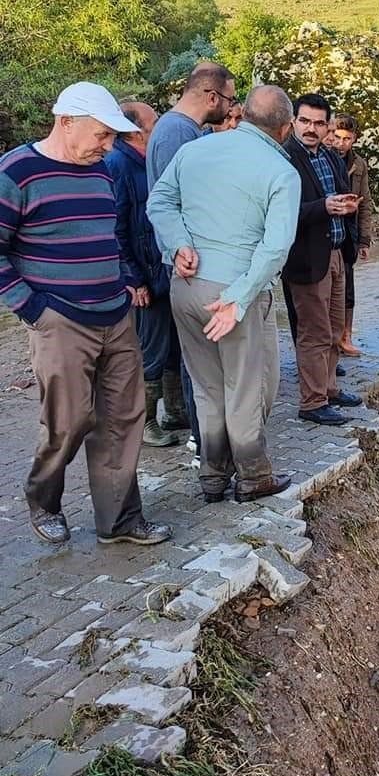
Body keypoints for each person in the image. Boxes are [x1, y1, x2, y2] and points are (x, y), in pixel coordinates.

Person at [0, 82, 172, 545]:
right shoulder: (17, 171)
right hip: (60, 319)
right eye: (101, 135)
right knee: (71, 419)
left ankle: (118, 521)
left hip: (116, 315)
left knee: (123, 419)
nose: (108, 146)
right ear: (66, 122)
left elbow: (109, 234)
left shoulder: (100, 172)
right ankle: (43, 498)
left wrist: (126, 279)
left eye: (113, 137)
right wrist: (33, 308)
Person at [147, 85, 299, 504]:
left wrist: (177, 245)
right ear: (285, 128)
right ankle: (252, 475)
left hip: (187, 286)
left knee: (207, 386)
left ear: (243, 113)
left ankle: (213, 476)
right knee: (250, 387)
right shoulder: (280, 170)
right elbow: (276, 246)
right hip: (235, 293)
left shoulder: (196, 150)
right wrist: (240, 296)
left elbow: (158, 201)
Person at [147, 62, 238, 461]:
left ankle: (209, 441)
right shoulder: (176, 135)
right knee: (198, 360)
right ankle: (206, 445)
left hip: (197, 262)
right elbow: (172, 204)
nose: (232, 109)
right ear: (211, 96)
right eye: (231, 100)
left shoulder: (185, 131)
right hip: (189, 265)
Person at [105, 101, 184, 449]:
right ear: (137, 131)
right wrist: (133, 278)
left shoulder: (144, 161)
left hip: (160, 269)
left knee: (172, 345)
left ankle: (176, 409)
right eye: (154, 122)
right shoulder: (118, 165)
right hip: (143, 276)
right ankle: (145, 422)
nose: (160, 128)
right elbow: (116, 229)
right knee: (150, 349)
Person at [281, 94, 363, 427]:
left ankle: (328, 389)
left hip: (336, 252)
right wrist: (324, 207)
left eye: (318, 122)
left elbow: (343, 195)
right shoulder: (284, 159)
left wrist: (348, 206)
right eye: (305, 121)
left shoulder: (330, 156)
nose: (311, 128)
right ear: (293, 122)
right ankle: (311, 402)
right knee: (313, 332)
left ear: (327, 125)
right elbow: (280, 213)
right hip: (305, 258)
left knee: (331, 328)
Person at [332, 114, 373, 357]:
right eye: (337, 137)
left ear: (354, 139)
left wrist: (364, 240)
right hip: (328, 228)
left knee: (348, 287)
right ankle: (332, 338)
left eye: (346, 138)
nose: (341, 143)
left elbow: (366, 203)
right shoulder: (324, 158)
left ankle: (346, 336)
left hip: (350, 231)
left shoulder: (359, 165)